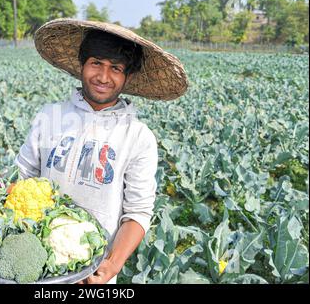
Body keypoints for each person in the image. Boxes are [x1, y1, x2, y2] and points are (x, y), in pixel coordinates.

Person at [15, 18, 188, 284]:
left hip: (93, 271)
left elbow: (138, 212)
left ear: (127, 76)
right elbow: (22, 178)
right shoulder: (49, 116)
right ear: (82, 64)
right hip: (36, 264)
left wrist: (111, 265)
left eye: (116, 68)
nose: (103, 77)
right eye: (96, 63)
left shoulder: (138, 137)